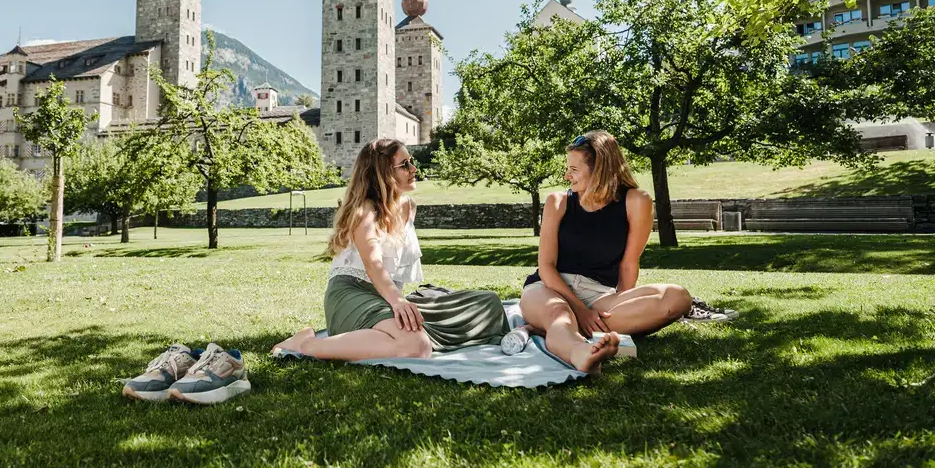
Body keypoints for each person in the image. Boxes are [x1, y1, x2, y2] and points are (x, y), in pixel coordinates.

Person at [272, 139, 508, 360]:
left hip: (386, 297)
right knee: (417, 346)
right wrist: (398, 303)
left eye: (411, 161)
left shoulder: (408, 207)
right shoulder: (365, 211)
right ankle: (307, 345)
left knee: (488, 302)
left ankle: (386, 334)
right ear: (383, 174)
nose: (413, 168)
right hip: (352, 294)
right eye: (405, 164)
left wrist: (399, 301)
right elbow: (373, 263)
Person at [520, 130, 692, 373]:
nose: (567, 175)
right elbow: (547, 267)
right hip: (549, 288)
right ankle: (579, 352)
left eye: (574, 169)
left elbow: (628, 264)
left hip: (600, 295)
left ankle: (568, 329)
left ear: (599, 169)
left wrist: (621, 307)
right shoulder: (557, 202)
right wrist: (581, 310)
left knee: (678, 297)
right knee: (559, 314)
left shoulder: (636, 201)